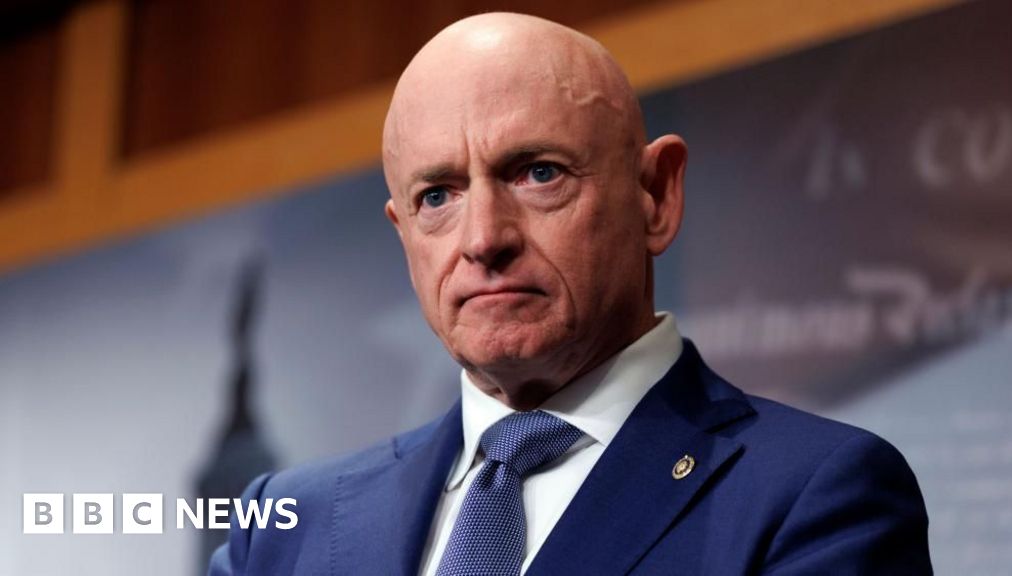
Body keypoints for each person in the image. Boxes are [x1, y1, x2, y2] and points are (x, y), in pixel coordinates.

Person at [209, 12, 931, 575]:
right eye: (438, 196)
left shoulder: (814, 497)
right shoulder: (283, 529)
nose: (483, 238)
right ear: (405, 235)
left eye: (539, 173)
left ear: (655, 196)